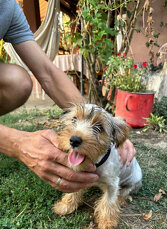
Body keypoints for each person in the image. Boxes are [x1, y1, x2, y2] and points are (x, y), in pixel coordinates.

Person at [0, 0, 136, 193]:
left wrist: (110, 130)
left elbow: (47, 72)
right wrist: (15, 142)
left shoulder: (7, 7)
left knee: (18, 82)